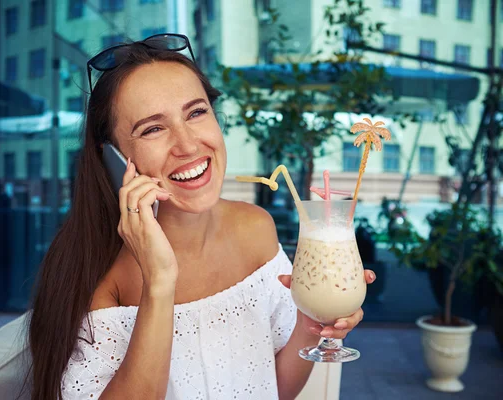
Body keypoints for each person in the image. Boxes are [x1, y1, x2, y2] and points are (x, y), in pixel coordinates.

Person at [27, 33, 375, 400]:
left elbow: (277, 389)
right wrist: (159, 281)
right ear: (112, 156)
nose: (189, 144)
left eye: (196, 112)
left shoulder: (257, 229)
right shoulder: (99, 276)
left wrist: (310, 324)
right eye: (153, 128)